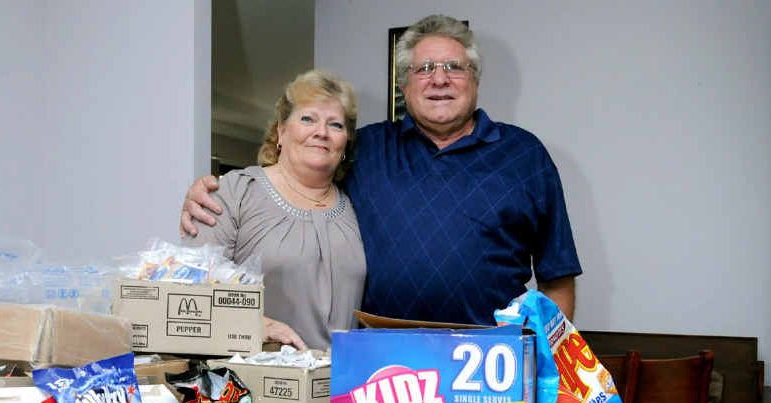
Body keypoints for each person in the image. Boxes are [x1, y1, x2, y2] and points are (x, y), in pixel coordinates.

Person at [183, 15, 581, 325]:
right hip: (380, 366)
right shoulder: (367, 147)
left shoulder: (525, 156)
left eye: (453, 67)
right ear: (404, 85)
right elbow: (300, 176)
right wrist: (218, 190)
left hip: (490, 364)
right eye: (424, 69)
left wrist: (548, 363)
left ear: (475, 79)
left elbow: (557, 279)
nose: (439, 78)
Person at [183, 69, 365, 350]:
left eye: (336, 125)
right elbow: (188, 287)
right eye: (308, 119)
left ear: (345, 144)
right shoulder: (236, 192)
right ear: (281, 131)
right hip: (258, 379)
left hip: (344, 385)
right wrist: (259, 324)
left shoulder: (356, 202)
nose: (322, 132)